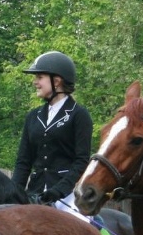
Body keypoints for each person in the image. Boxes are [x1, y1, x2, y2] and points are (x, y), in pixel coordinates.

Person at [12, 51, 92, 215]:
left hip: (67, 196)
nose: (35, 82)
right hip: (35, 193)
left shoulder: (79, 115)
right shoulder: (33, 117)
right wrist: (12, 193)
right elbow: (23, 162)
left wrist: (58, 190)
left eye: (39, 77)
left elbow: (81, 161)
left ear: (56, 81)